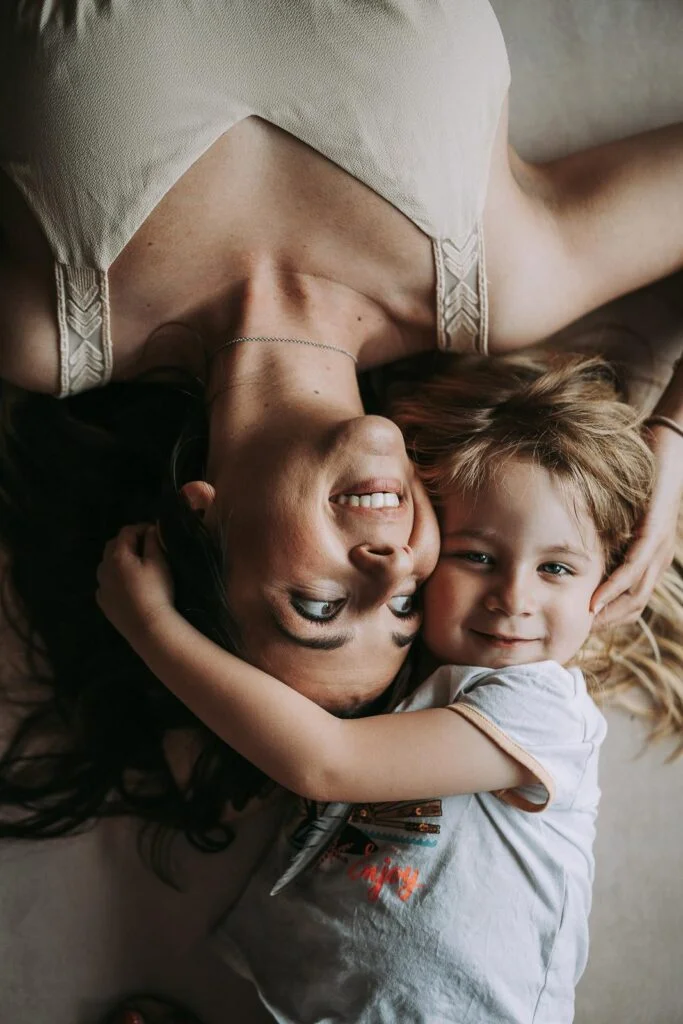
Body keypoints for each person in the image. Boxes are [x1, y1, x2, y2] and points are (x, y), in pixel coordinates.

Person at [1, 0, 682, 851]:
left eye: (319, 605)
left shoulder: (49, 327)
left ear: (197, 521)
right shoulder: (501, 282)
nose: (392, 564)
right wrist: (669, 443)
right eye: (406, 602)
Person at [96, 352, 683, 1024]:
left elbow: (326, 763)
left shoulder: (542, 710)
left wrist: (151, 627)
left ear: (609, 582)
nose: (513, 598)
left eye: (556, 569)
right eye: (477, 557)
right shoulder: (405, 678)